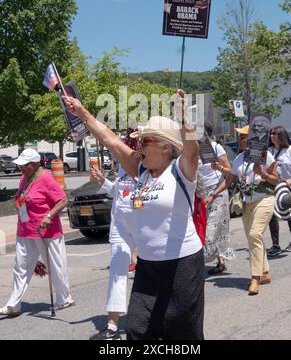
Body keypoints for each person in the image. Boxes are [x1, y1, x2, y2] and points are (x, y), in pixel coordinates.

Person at [63, 90, 204, 340]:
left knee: (182, 334)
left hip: (182, 266)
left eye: (145, 141)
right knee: (138, 330)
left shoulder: (181, 171)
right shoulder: (141, 169)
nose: (138, 146)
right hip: (148, 268)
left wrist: (184, 118)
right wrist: (81, 111)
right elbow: (110, 139)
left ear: (164, 146)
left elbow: (191, 150)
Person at [0, 148, 74, 317]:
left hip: (46, 231)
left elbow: (63, 200)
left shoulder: (46, 177)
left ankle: (64, 298)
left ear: (34, 165)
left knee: (55, 266)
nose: (20, 168)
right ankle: (14, 304)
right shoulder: (24, 178)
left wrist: (49, 215)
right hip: (25, 230)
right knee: (20, 267)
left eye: (24, 166)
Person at [206, 126, 279, 295]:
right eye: (240, 137)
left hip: (265, 199)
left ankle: (255, 278)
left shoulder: (266, 156)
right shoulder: (239, 158)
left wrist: (263, 173)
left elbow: (276, 179)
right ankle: (266, 272)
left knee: (254, 235)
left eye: (243, 137)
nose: (240, 140)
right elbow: (230, 179)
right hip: (247, 203)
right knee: (254, 238)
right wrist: (213, 194)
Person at [90, 129, 139, 341]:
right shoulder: (120, 170)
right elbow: (119, 193)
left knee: (153, 275)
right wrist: (103, 181)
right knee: (117, 275)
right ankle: (112, 326)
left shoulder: (144, 166)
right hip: (119, 228)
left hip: (143, 228)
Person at [197, 122, 235, 274]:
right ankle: (221, 262)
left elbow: (230, 175)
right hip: (201, 193)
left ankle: (199, 263)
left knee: (212, 231)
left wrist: (218, 168)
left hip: (217, 192)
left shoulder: (217, 147)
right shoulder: (195, 150)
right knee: (208, 228)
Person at [267, 126, 291, 256]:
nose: (272, 136)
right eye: (271, 134)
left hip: (287, 189)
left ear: (281, 135)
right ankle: (276, 245)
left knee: (290, 216)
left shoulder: (290, 150)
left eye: (275, 134)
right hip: (272, 188)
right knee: (272, 215)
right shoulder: (268, 150)